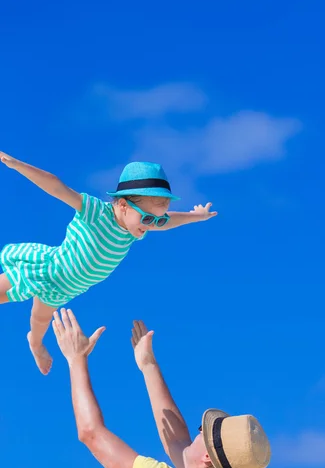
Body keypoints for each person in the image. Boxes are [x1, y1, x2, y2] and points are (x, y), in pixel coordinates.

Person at [52, 308, 271, 468]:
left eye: (201, 432)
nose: (196, 433)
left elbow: (91, 433)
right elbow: (178, 442)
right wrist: (148, 365)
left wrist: (76, 359)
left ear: (208, 457)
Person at [0, 153, 217, 374]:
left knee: (39, 320)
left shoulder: (133, 231)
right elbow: (57, 187)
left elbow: (170, 221)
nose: (153, 226)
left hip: (65, 289)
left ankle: (35, 344)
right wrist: (17, 165)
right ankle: (34, 340)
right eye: (149, 218)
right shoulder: (95, 212)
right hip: (48, 269)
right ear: (123, 205)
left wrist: (196, 217)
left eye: (157, 220)